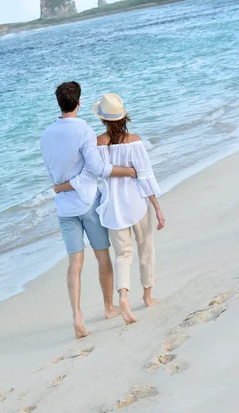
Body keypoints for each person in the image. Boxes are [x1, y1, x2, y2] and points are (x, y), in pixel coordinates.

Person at [55, 93, 165, 325]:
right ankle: (146, 296)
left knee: (123, 255)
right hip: (137, 202)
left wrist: (61, 186)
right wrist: (157, 207)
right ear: (124, 116)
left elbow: (88, 174)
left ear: (103, 120)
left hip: (112, 207)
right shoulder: (135, 141)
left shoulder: (95, 144)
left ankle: (123, 296)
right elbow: (145, 177)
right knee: (146, 248)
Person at [40, 82, 137, 339]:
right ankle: (108, 307)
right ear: (79, 102)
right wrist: (128, 171)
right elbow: (98, 168)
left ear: (59, 103)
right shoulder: (83, 129)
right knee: (102, 256)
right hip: (88, 203)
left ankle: (77, 316)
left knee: (75, 263)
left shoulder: (46, 135)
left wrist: (62, 186)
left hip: (64, 208)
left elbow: (52, 174)